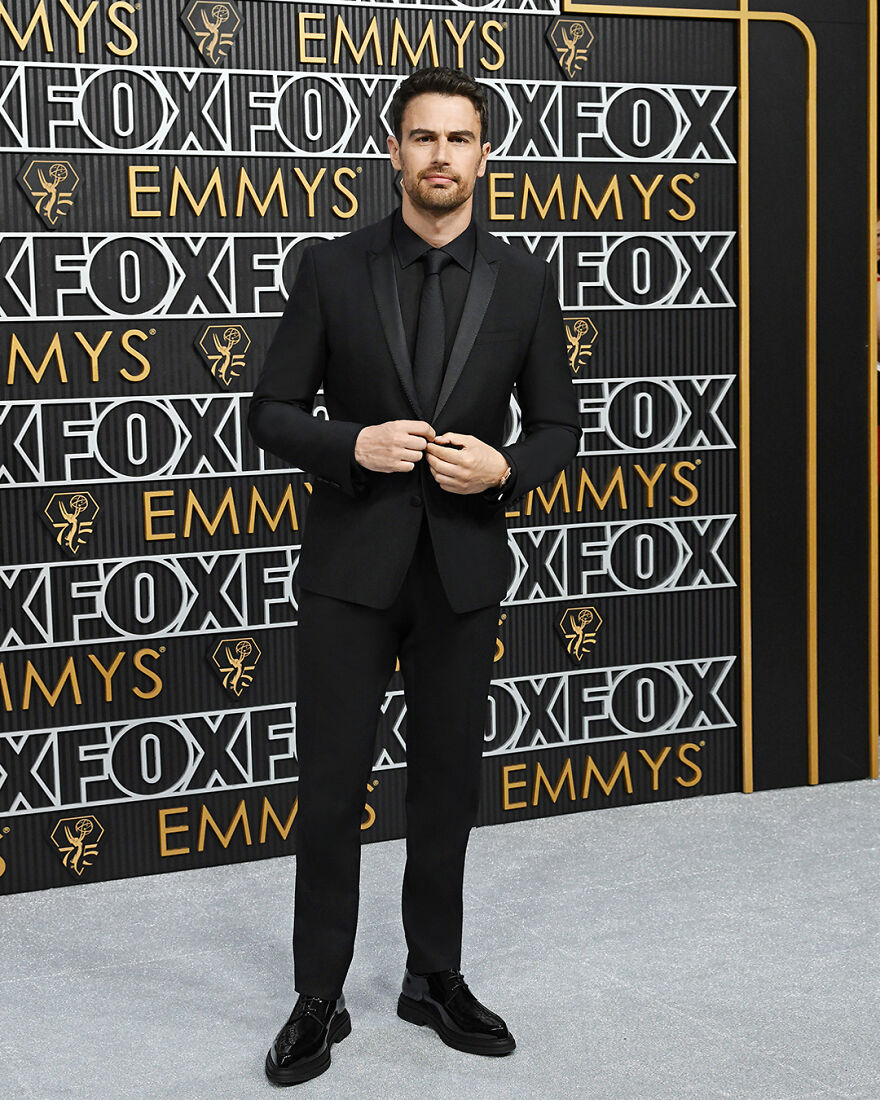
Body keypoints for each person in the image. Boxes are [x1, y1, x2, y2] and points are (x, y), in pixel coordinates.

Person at [247, 65, 580, 1086]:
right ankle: (318, 993)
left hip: (461, 569)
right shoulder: (332, 267)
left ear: (486, 155)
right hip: (349, 570)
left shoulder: (523, 279)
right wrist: (353, 442)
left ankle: (432, 975)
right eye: (421, 137)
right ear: (393, 151)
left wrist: (507, 466)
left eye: (459, 138)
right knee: (330, 788)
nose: (440, 155)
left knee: (444, 786)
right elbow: (265, 412)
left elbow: (558, 425)